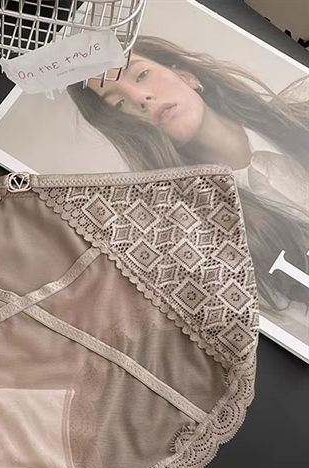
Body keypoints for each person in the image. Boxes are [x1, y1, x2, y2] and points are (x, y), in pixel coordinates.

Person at [68, 36, 309, 343]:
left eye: (141, 74)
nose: (141, 98)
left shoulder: (302, 109)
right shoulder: (206, 242)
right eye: (119, 104)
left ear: (186, 75)